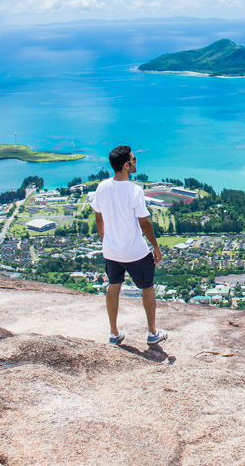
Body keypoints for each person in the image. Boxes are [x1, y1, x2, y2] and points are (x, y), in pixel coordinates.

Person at [91, 145, 167, 345]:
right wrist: (156, 248)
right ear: (126, 165)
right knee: (147, 288)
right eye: (134, 160)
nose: (136, 162)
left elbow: (98, 216)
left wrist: (104, 239)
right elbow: (144, 222)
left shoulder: (102, 187)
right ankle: (152, 333)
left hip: (111, 251)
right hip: (135, 252)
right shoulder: (134, 190)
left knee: (113, 286)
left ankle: (114, 333)